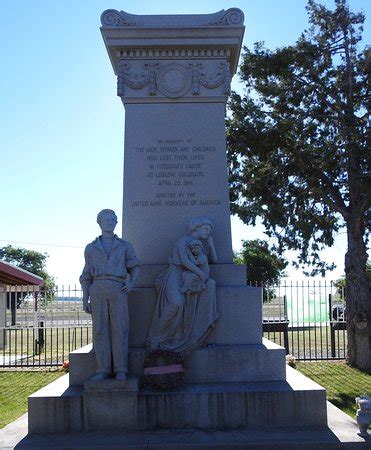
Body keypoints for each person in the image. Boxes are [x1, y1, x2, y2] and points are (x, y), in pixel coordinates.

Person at [80, 209, 139, 381]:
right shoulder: (90, 248)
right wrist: (85, 298)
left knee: (120, 328)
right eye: (106, 219)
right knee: (100, 330)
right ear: (99, 222)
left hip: (118, 288)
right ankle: (103, 369)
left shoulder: (125, 245)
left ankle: (121, 368)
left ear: (116, 222)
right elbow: (86, 275)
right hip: (97, 288)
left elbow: (134, 266)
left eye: (113, 219)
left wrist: (131, 283)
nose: (110, 222)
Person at [148, 217, 218, 352]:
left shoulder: (201, 244)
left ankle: (178, 335)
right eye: (206, 229)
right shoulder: (183, 241)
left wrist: (211, 244)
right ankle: (156, 337)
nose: (208, 232)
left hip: (189, 277)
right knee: (176, 303)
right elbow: (185, 262)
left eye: (210, 230)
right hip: (175, 274)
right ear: (196, 228)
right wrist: (201, 274)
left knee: (184, 303)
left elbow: (213, 260)